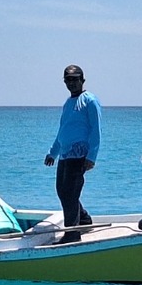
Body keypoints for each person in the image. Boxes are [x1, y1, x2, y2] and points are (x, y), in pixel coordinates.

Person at [44, 64, 101, 239]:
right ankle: (83, 219)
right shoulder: (68, 103)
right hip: (65, 155)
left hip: (79, 155)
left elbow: (96, 130)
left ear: (82, 80)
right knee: (62, 190)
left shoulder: (90, 100)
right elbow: (63, 130)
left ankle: (72, 233)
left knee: (70, 193)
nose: (72, 83)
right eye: (68, 80)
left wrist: (91, 157)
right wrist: (52, 153)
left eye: (75, 79)